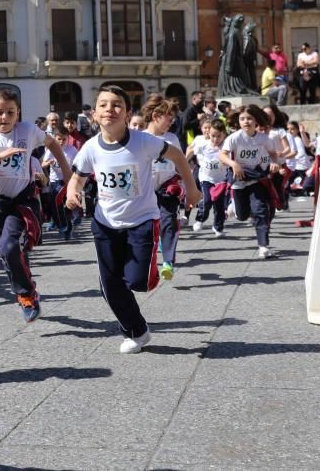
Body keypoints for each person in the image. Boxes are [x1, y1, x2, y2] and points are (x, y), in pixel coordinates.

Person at [66, 85, 200, 354]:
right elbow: (77, 178)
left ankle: (141, 278)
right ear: (94, 114)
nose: (109, 110)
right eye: (103, 105)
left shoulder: (143, 141)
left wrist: (192, 188)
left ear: (127, 113)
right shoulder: (91, 148)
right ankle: (136, 331)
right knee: (109, 286)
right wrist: (72, 195)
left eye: (117, 105)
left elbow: (177, 157)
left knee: (138, 281)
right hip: (105, 223)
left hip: (142, 220)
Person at [0, 89, 72, 322]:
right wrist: (1, 156)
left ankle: (26, 295)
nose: (5, 117)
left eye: (10, 112)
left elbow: (53, 144)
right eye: (0, 112)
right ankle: (25, 284)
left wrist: (66, 171)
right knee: (6, 251)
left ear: (18, 113)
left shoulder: (27, 130)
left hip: (21, 201)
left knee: (11, 247)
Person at [219, 105, 281, 259]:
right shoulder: (234, 137)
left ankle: (263, 246)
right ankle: (233, 205)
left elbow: (273, 154)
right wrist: (234, 164)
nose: (246, 121)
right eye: (242, 119)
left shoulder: (263, 139)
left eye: (249, 118)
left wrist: (274, 163)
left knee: (261, 211)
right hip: (239, 179)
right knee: (242, 215)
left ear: (256, 120)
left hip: (256, 178)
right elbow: (222, 155)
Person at [141, 96, 183, 281]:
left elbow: (180, 162)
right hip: (145, 190)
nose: (171, 122)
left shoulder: (172, 138)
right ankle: (145, 259)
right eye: (169, 118)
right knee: (146, 228)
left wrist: (188, 186)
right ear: (156, 115)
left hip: (167, 188)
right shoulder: (140, 137)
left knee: (168, 223)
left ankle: (167, 262)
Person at [190, 119, 230, 237]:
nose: (215, 139)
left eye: (219, 136)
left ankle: (218, 227)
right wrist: (184, 162)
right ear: (209, 134)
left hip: (220, 180)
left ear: (224, 135)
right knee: (207, 201)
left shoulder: (226, 147)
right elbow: (190, 150)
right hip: (206, 178)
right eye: (213, 136)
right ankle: (200, 219)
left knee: (219, 205)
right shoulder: (203, 145)